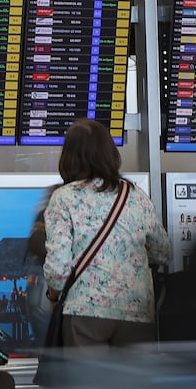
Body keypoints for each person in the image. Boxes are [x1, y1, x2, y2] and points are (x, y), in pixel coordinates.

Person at [43, 119, 171, 351]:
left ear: (68, 156)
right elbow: (163, 253)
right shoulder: (135, 196)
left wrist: (52, 296)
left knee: (87, 387)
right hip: (137, 313)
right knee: (134, 386)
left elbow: (58, 273)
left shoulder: (63, 198)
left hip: (85, 314)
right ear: (109, 152)